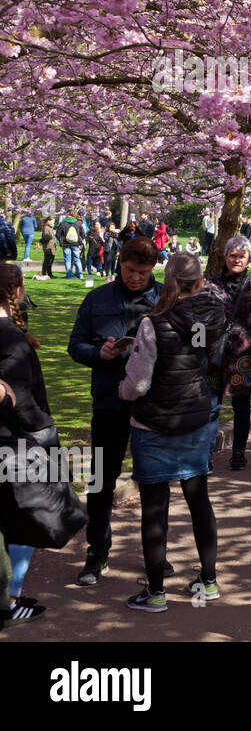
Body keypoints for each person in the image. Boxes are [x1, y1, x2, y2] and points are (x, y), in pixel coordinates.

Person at [116, 253, 228, 612]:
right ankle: (208, 581)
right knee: (198, 499)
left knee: (154, 508)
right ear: (199, 282)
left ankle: (156, 592)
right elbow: (203, 358)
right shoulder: (214, 316)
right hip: (194, 417)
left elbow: (139, 382)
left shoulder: (153, 324)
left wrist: (122, 389)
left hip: (155, 422)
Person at [67, 237, 163, 586]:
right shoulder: (97, 299)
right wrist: (99, 354)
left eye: (142, 272)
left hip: (152, 405)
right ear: (119, 263)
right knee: (101, 480)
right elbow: (75, 345)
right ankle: (97, 551)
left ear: (153, 268)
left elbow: (185, 347)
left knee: (154, 482)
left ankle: (156, 553)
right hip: (109, 401)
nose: (135, 277)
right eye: (128, 270)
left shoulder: (165, 299)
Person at [0, 263, 55, 623]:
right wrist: (44, 429)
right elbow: (20, 399)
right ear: (18, 289)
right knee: (29, 516)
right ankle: (11, 596)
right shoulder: (11, 338)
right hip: (17, 441)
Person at [211, 236, 251, 471]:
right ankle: (206, 453)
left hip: (243, 352)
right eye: (232, 256)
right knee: (211, 404)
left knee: (241, 404)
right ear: (225, 258)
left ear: (249, 259)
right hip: (216, 352)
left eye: (241, 256)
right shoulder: (212, 283)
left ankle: (238, 451)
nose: (236, 260)